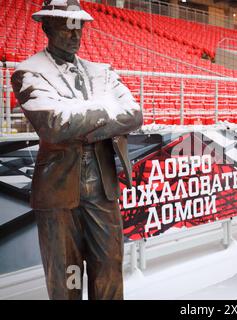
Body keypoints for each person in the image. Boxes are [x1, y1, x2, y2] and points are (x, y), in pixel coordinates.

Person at [11, 0, 143, 300]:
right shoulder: (28, 72)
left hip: (103, 189)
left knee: (109, 268)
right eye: (65, 28)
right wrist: (106, 112)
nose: (74, 36)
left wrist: (80, 119)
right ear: (46, 27)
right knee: (65, 275)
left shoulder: (102, 72)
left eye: (78, 28)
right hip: (58, 190)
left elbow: (134, 115)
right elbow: (55, 126)